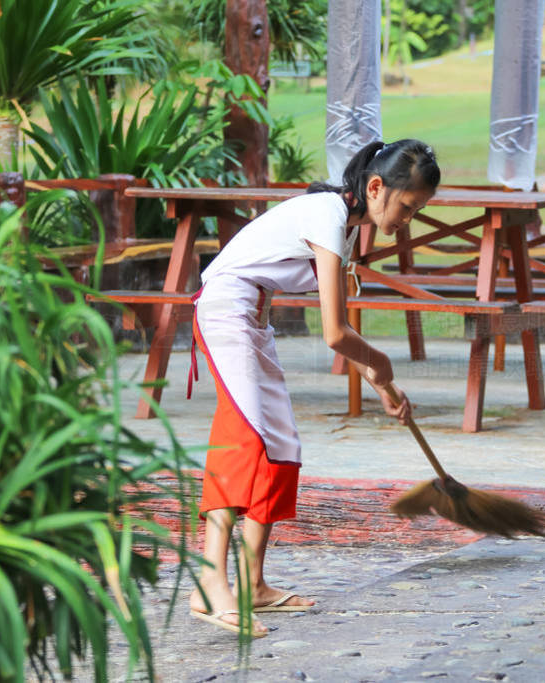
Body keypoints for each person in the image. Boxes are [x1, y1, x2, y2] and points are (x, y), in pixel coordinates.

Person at [188, 139, 441, 636]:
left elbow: (347, 342)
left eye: (417, 211)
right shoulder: (327, 216)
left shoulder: (345, 228)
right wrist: (382, 360)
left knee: (281, 445)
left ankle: (251, 582)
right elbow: (335, 333)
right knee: (245, 439)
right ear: (376, 187)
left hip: (252, 319)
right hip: (226, 311)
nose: (407, 219)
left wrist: (384, 386)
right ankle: (209, 580)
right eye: (407, 206)